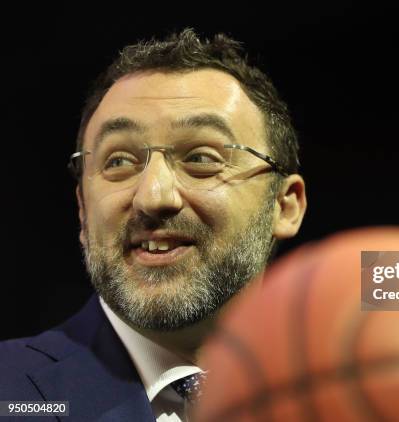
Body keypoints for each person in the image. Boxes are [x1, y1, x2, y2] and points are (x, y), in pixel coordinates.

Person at [0, 28, 307, 421]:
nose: (154, 196)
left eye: (201, 157)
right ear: (82, 208)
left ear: (285, 206)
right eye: (118, 162)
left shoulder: (371, 391)